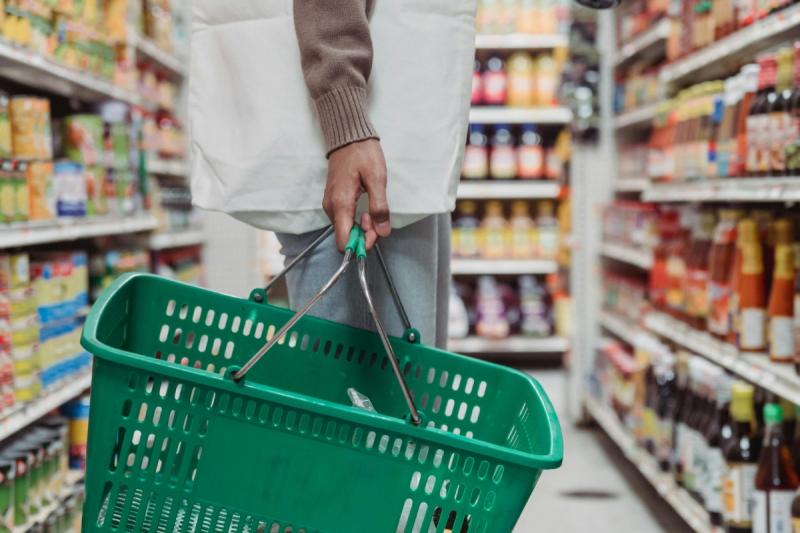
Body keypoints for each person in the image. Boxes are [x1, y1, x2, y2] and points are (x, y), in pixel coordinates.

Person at [190, 1, 476, 347]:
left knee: (405, 364)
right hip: (363, 145)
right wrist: (347, 126)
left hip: (392, 140)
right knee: (372, 370)